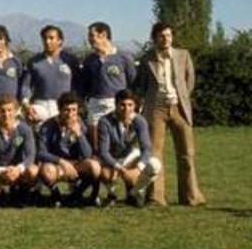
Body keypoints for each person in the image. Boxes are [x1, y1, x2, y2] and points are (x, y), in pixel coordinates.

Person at [134, 22, 206, 206]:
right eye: (161, 36)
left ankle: (191, 196)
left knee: (187, 153)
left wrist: (181, 98)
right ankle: (156, 197)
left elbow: (189, 81)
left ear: (172, 37)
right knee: (155, 155)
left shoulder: (183, 55)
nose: (165, 39)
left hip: (180, 109)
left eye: (168, 35)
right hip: (155, 110)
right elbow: (140, 85)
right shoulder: (146, 58)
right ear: (155, 38)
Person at [97, 89, 161, 207]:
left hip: (129, 156)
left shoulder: (139, 121)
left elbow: (146, 148)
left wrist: (138, 168)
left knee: (155, 165)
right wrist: (121, 169)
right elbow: (103, 152)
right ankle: (110, 194)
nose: (126, 109)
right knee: (106, 175)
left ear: (135, 106)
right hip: (111, 159)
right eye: (122, 105)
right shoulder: (105, 121)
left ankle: (133, 193)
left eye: (130, 105)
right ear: (116, 105)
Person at [37, 92, 100, 207]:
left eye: (73, 110)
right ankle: (57, 196)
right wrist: (61, 162)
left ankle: (76, 195)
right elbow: (41, 152)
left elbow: (88, 154)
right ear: (59, 110)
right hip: (57, 165)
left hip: (77, 165)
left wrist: (79, 135)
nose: (70, 114)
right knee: (47, 171)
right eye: (66, 110)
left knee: (95, 166)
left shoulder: (81, 124)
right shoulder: (49, 125)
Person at [80, 22, 136, 149]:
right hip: (95, 104)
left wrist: (131, 105)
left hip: (117, 104)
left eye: (92, 35)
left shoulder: (124, 57)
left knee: (117, 141)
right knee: (95, 143)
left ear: (104, 35)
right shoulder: (89, 60)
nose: (89, 39)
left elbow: (133, 82)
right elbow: (84, 85)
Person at [21, 25, 81, 126]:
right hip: (40, 105)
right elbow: (26, 85)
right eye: (45, 38)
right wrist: (26, 104)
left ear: (60, 40)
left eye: (51, 38)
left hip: (63, 106)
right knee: (41, 137)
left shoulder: (70, 60)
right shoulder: (34, 61)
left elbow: (78, 84)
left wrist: (77, 104)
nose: (47, 41)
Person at [0, 96, 38, 205]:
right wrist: (1, 171)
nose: (6, 114)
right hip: (1, 170)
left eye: (9, 110)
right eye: (2, 111)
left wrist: (18, 169)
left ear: (16, 111)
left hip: (19, 170)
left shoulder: (25, 129)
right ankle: (0, 196)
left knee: (33, 170)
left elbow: (30, 155)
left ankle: (21, 193)